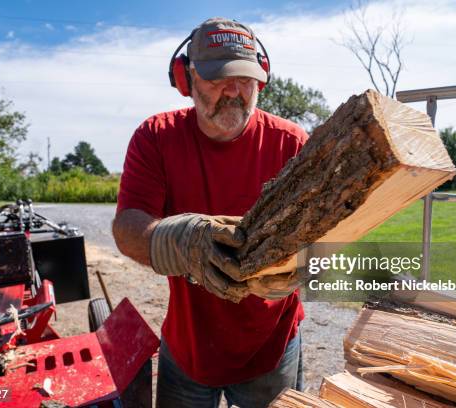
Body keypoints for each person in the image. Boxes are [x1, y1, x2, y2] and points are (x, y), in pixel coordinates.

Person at [112, 17, 309, 408]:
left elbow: (330, 235)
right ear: (186, 80)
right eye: (217, 79)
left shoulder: (291, 144)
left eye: (245, 79)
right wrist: (180, 240)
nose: (234, 92)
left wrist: (307, 260)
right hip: (189, 351)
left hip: (272, 347)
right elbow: (127, 227)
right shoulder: (157, 138)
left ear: (262, 79)